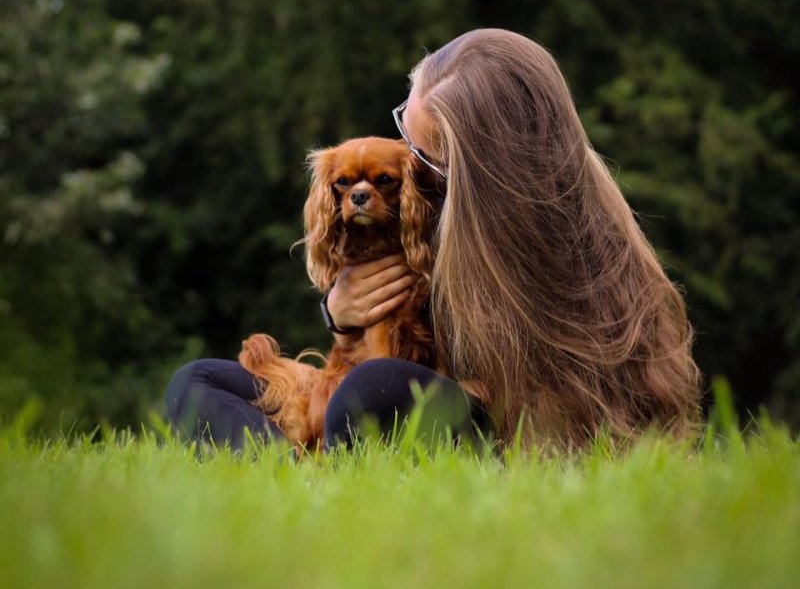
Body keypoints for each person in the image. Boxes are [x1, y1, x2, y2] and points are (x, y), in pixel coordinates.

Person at [165, 29, 701, 450]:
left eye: (423, 154)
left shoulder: (559, 240)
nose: (409, 163)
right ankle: (289, 474)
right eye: (405, 126)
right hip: (372, 390)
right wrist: (340, 312)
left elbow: (539, 404)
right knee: (196, 382)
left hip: (486, 426)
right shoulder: (420, 203)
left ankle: (317, 463)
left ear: (479, 166)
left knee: (374, 390)